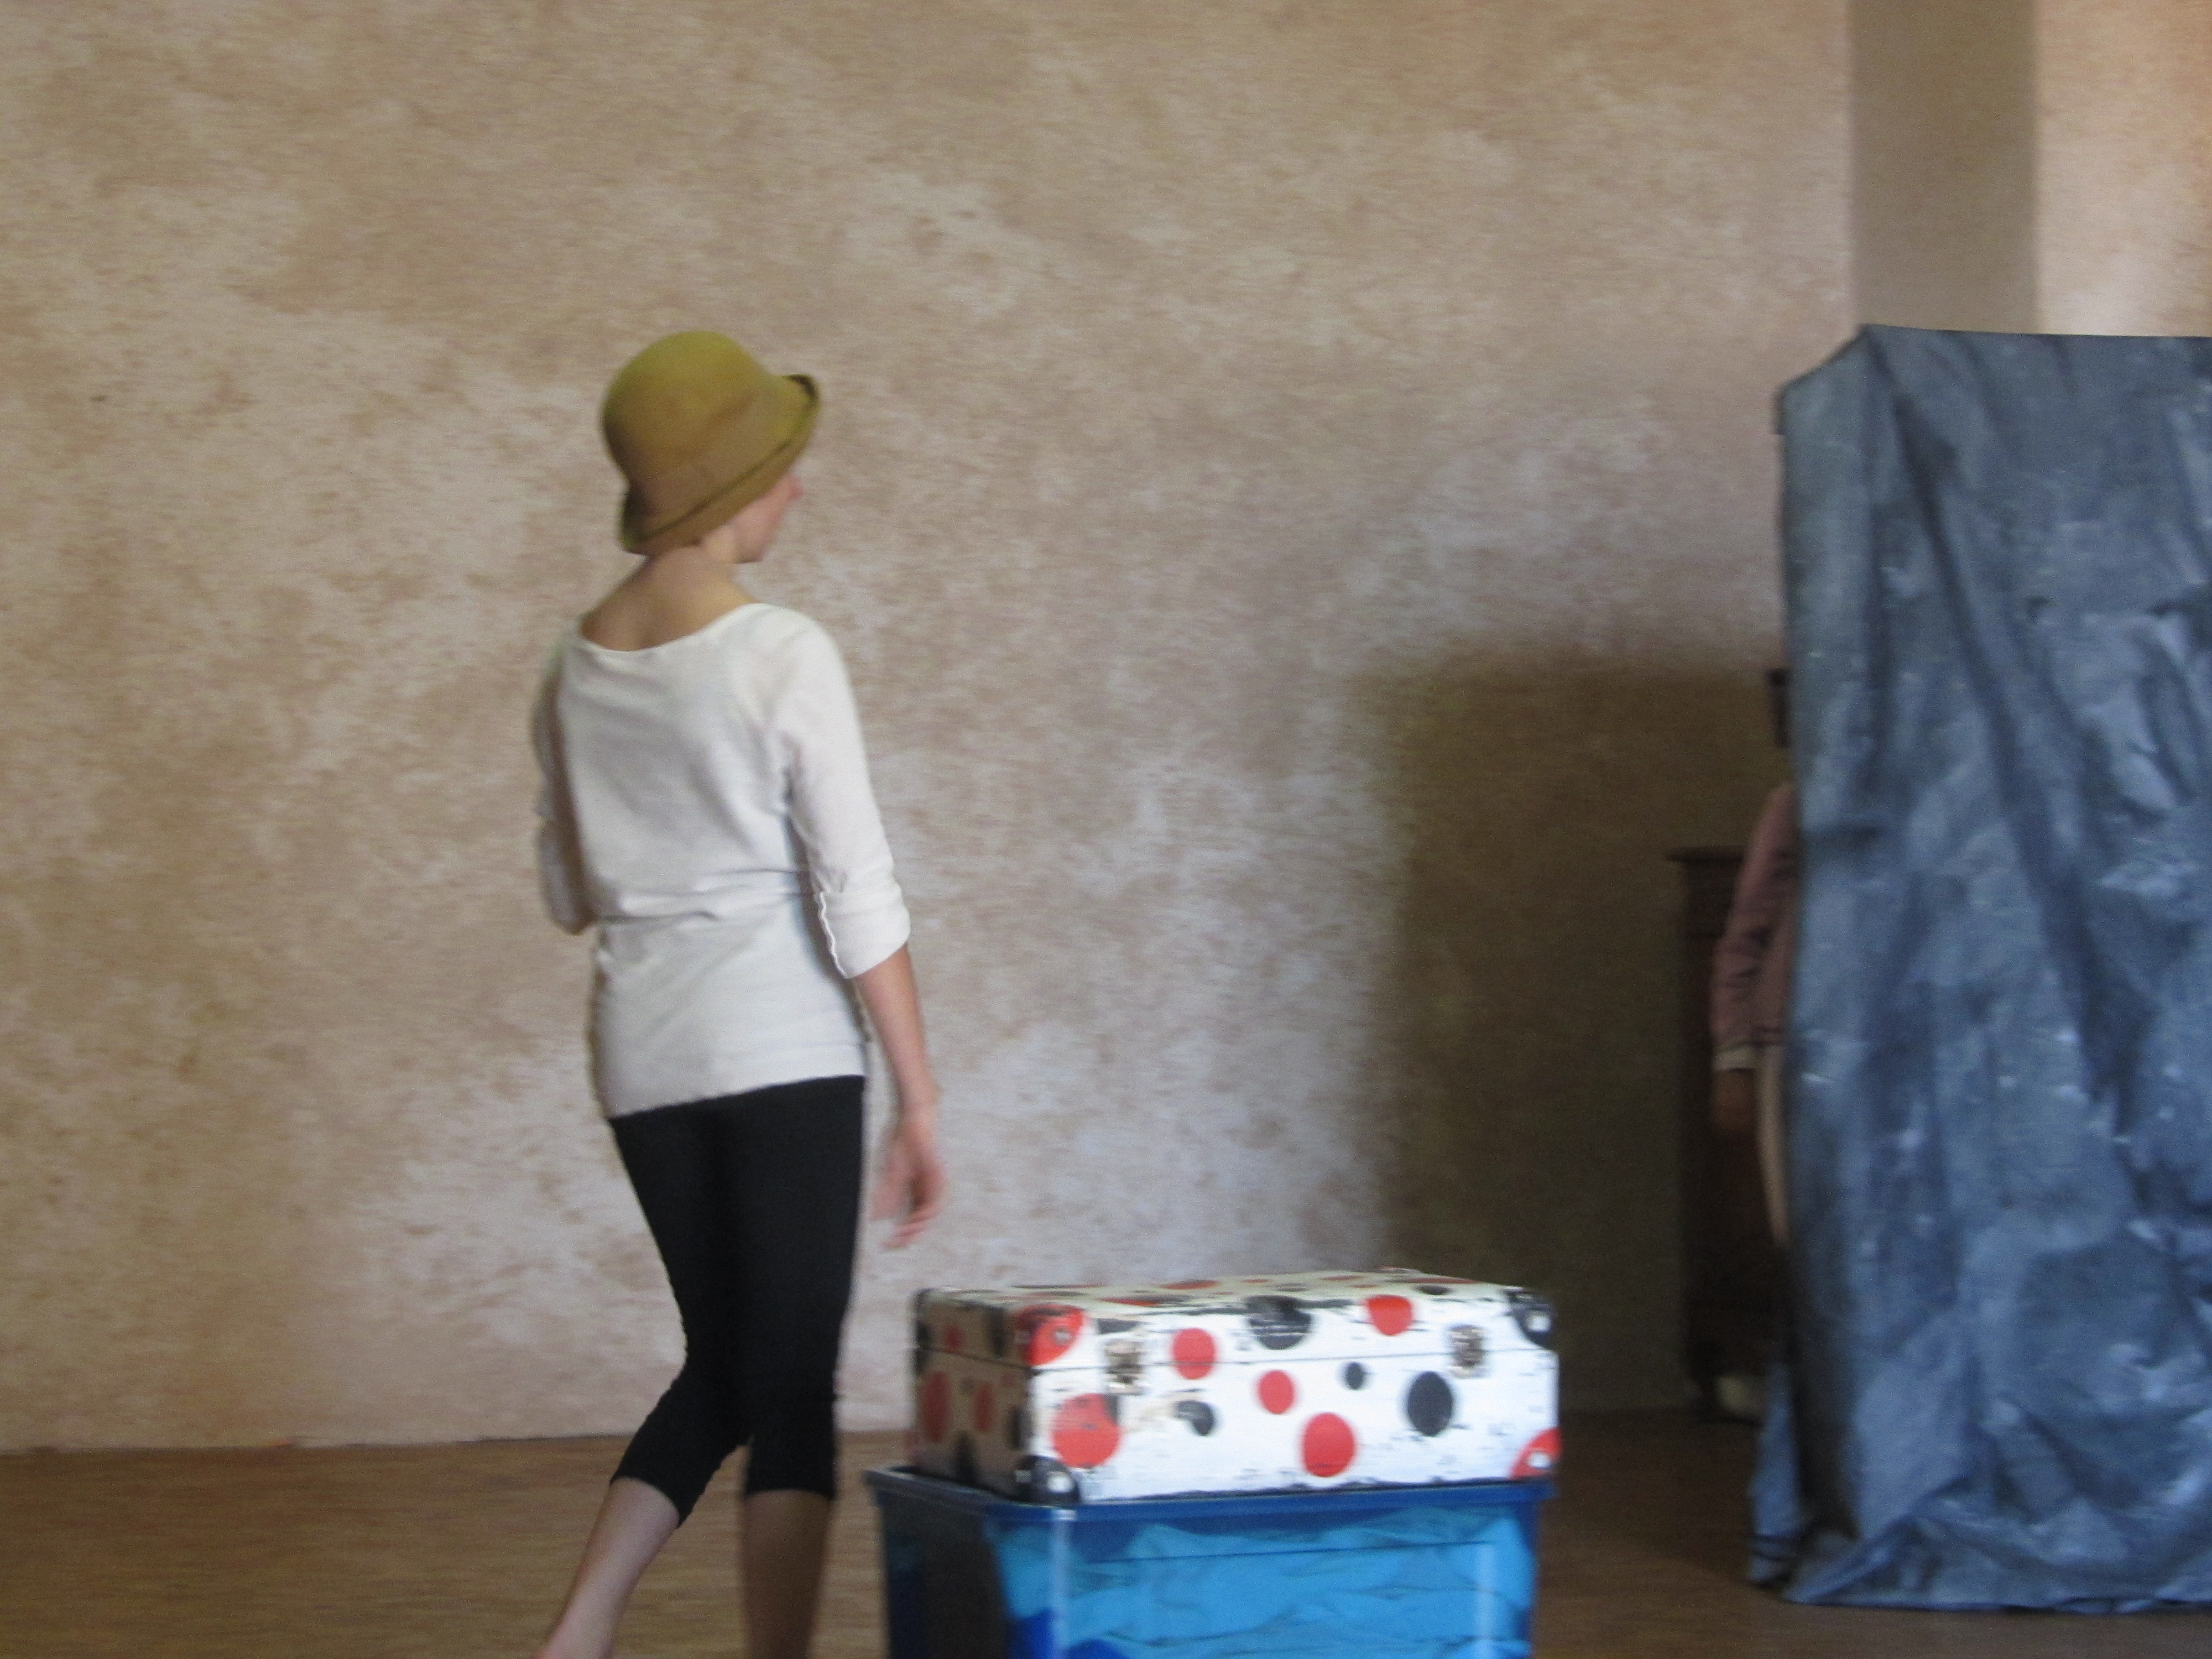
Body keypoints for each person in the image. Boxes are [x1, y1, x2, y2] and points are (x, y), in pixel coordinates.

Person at [528, 331, 946, 1659]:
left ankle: (577, 1635)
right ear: (734, 489)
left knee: (724, 1365)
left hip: (639, 1056)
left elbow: (569, 891)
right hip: (781, 1051)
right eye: (781, 469)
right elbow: (857, 892)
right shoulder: (781, 652)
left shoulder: (570, 667)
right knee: (793, 1389)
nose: (796, 491)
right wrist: (919, 1102)